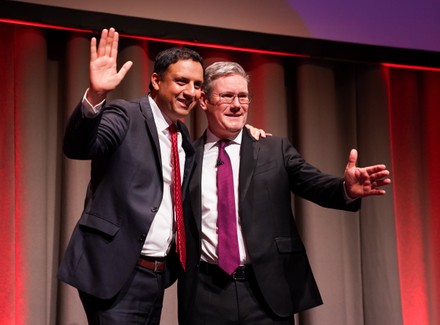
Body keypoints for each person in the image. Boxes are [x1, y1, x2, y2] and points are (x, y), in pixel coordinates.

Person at [177, 61, 391, 325]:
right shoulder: (185, 156)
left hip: (266, 293)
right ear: (204, 101)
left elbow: (312, 183)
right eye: (227, 96)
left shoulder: (273, 148)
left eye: (243, 96)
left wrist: (346, 188)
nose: (237, 105)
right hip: (205, 294)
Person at [58, 27, 204, 324]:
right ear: (156, 81)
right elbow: (79, 146)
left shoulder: (183, 135)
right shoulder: (125, 114)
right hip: (115, 272)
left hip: (158, 275)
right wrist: (96, 94)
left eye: (197, 84)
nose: (190, 91)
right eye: (181, 81)